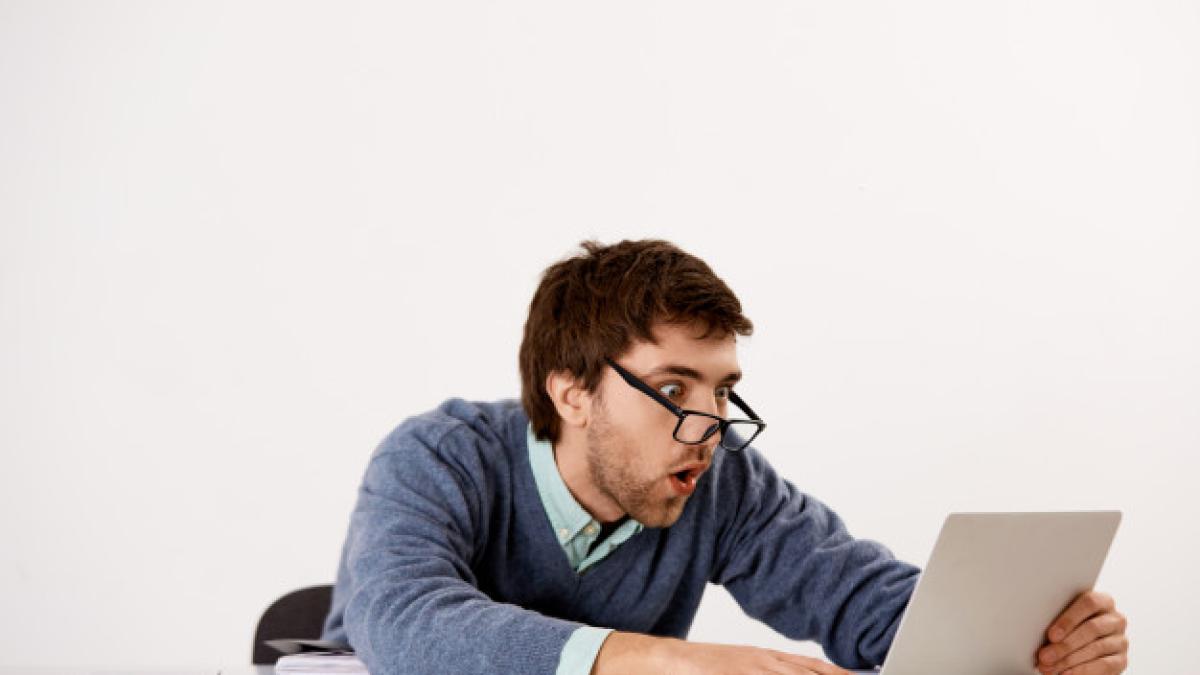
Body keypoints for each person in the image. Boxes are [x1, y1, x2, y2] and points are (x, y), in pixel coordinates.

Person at [321, 239, 1129, 675]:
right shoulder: (440, 455)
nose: (708, 425)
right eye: (676, 387)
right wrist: (676, 664)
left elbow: (863, 600)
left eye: (722, 390)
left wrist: (1037, 640)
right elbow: (405, 625)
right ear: (570, 390)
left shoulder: (721, 480)